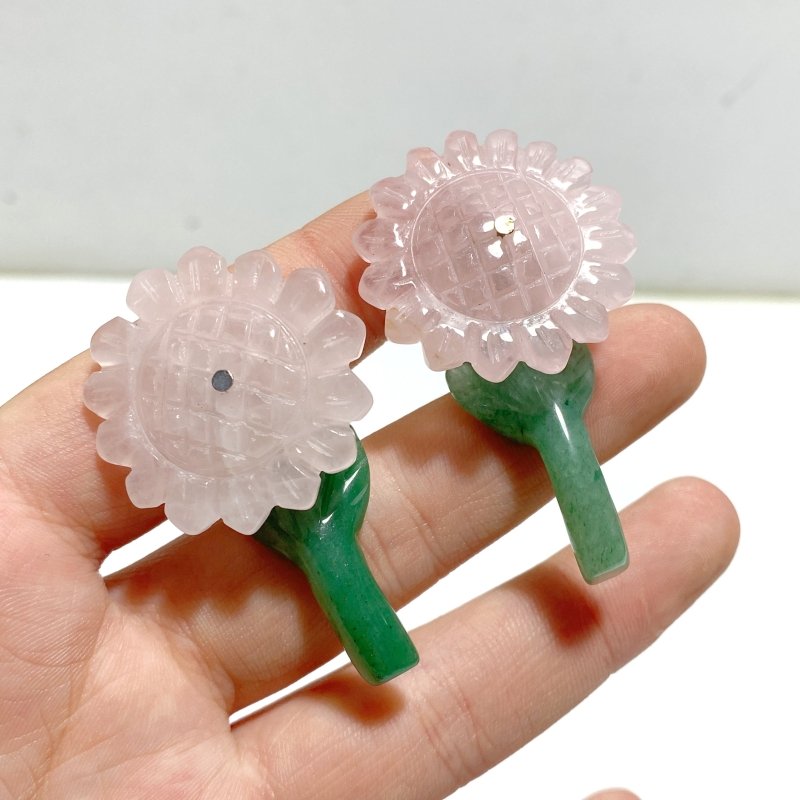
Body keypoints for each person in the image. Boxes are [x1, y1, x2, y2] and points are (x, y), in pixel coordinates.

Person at [0, 193, 739, 799]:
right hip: (290, 479)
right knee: (318, 525)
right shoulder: (207, 418)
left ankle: (571, 527)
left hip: (347, 452)